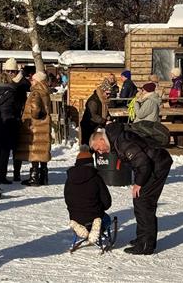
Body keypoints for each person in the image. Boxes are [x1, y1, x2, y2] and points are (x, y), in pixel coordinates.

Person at [91, 124, 172, 255]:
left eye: (98, 148)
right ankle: (142, 239)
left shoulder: (122, 141)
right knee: (140, 201)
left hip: (156, 165)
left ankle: (145, 245)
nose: (100, 152)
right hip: (153, 165)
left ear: (101, 139)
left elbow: (143, 162)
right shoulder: (116, 140)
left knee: (144, 202)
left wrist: (138, 183)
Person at [64, 145, 112, 244]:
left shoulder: (69, 179)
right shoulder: (96, 178)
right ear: (91, 163)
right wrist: (101, 207)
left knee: (80, 217)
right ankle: (97, 226)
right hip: (95, 214)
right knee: (107, 219)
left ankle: (78, 225)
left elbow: (67, 199)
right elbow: (106, 201)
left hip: (75, 216)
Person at [0, 72, 24, 185]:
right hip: (8, 123)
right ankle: (1, 176)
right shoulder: (11, 93)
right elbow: (16, 107)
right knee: (5, 150)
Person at [17, 72, 53, 186]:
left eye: (33, 79)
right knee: (42, 151)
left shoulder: (36, 92)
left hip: (35, 126)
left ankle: (34, 177)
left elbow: (36, 108)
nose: (31, 81)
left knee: (35, 152)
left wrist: (34, 116)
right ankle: (44, 177)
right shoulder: (45, 92)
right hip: (44, 126)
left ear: (38, 81)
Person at [80, 79, 111, 145]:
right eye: (107, 93)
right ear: (102, 91)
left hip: (96, 126)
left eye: (110, 94)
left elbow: (105, 111)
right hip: (89, 126)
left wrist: (109, 117)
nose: (108, 95)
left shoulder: (103, 100)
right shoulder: (93, 101)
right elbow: (93, 116)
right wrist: (104, 121)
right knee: (89, 146)